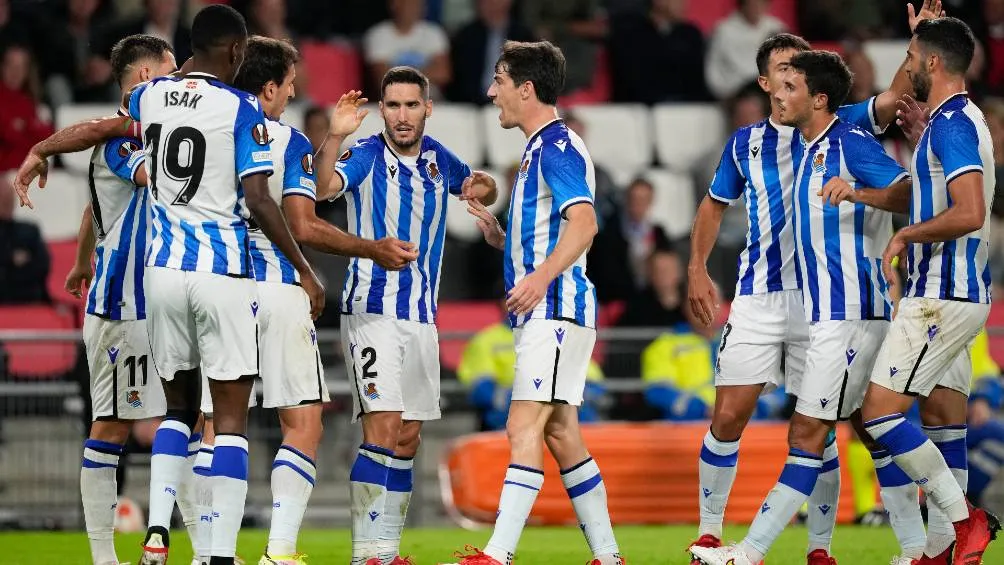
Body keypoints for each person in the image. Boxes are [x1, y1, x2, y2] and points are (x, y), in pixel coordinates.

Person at [685, 8, 935, 559]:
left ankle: (824, 546)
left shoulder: (836, 122)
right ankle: (710, 529)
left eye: (799, 72)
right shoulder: (748, 143)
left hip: (829, 299)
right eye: (782, 71)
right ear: (765, 81)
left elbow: (893, 101)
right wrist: (697, 267)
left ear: (811, 89)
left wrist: (918, 42)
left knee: (828, 427)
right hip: (760, 294)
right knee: (731, 415)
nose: (789, 80)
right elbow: (713, 204)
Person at [125, 5, 324, 564]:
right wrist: (305, 270)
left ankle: (159, 532)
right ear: (237, 53)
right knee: (230, 420)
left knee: (178, 412)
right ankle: (217, 555)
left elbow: (127, 115)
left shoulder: (150, 94)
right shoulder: (242, 109)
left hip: (160, 272)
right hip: (220, 273)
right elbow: (259, 198)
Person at [226, 35, 419, 565]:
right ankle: (280, 550)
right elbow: (304, 223)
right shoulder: (286, 140)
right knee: (303, 422)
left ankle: (210, 552)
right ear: (270, 86)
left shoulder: (213, 130)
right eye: (289, 84)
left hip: (216, 287)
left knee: (215, 425)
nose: (292, 94)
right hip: (276, 288)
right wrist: (369, 249)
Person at [311, 66, 496, 565]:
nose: (401, 115)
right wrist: (334, 134)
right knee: (383, 427)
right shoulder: (367, 154)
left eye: (411, 105)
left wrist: (485, 192)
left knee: (410, 435)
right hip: (371, 310)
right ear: (382, 110)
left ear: (427, 108)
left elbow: (478, 187)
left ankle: (387, 550)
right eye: (392, 105)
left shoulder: (439, 159)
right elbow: (323, 187)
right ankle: (366, 553)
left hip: (421, 316)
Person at [453, 39, 623, 565]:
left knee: (521, 425)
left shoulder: (557, 147)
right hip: (556, 309)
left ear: (526, 89)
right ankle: (608, 556)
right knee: (561, 432)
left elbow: (586, 222)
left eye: (500, 81)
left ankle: (498, 554)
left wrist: (542, 277)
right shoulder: (536, 150)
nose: (491, 91)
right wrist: (506, 240)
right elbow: (557, 230)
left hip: (555, 309)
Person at [855, 17, 1001, 565]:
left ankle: (967, 523)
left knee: (880, 415)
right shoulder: (956, 122)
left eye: (913, 56)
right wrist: (862, 194)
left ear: (933, 64)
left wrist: (907, 238)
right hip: (959, 291)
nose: (908, 66)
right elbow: (928, 196)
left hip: (941, 293)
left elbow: (969, 211)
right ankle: (943, 551)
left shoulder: (952, 125)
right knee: (944, 419)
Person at [458, 295, 609, 431]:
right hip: (511, 416)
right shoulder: (485, 340)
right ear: (504, 302)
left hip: (565, 414)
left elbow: (593, 383)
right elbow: (482, 391)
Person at [608, 0, 710, 103]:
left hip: (687, 109)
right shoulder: (630, 32)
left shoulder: (690, 34)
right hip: (638, 110)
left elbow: (697, 83)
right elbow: (634, 84)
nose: (684, 4)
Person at [447, 0, 535, 104]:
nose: (489, 4)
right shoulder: (465, 36)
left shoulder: (523, 36)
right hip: (471, 105)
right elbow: (457, 79)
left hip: (513, 104)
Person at [363, 0, 451, 98]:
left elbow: (443, 74)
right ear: (394, 5)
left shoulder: (434, 33)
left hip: (432, 100)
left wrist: (398, 76)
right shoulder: (378, 35)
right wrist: (426, 72)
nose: (413, 8)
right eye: (408, 3)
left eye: (417, 4)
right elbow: (382, 78)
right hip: (392, 101)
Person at [705, 0, 786, 100]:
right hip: (734, 96)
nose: (756, 7)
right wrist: (727, 96)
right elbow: (713, 73)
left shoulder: (776, 28)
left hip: (769, 96)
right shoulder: (723, 30)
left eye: (761, 3)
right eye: (752, 3)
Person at [0, 175, 49, 304]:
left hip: (27, 300)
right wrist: (11, 259)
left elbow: (42, 267)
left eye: (8, 198)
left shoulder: (29, 231)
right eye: (2, 199)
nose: (6, 202)